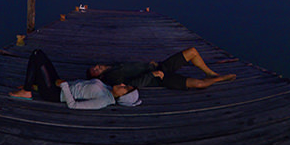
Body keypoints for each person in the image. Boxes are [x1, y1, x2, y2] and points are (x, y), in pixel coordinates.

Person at [10, 49, 140, 109]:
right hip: (58, 85)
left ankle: (27, 91)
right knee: (41, 56)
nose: (123, 84)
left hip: (54, 94)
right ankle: (32, 86)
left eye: (125, 88)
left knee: (37, 55)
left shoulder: (103, 101)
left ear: (123, 97)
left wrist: (65, 86)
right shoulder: (107, 88)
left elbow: (73, 105)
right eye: (126, 85)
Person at [88, 47, 236, 91]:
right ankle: (221, 78)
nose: (96, 67)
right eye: (94, 70)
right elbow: (133, 84)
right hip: (159, 78)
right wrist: (152, 74)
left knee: (192, 51)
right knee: (199, 84)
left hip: (159, 66)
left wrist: (149, 65)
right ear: (98, 77)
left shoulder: (113, 65)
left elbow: (133, 67)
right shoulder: (112, 76)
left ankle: (210, 73)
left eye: (94, 66)